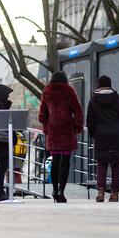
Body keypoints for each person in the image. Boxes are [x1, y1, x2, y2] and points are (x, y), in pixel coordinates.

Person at [38, 71, 84, 203]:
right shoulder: (69, 91)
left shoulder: (47, 92)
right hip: (67, 131)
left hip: (53, 132)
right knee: (65, 163)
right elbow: (78, 111)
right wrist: (77, 127)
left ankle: (53, 189)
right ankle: (61, 191)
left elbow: (42, 115)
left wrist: (47, 127)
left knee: (55, 162)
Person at [87, 76, 119, 202]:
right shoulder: (118, 99)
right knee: (116, 164)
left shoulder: (93, 99)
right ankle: (114, 194)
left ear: (98, 85)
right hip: (117, 134)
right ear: (110, 85)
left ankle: (100, 193)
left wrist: (92, 133)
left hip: (101, 134)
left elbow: (90, 119)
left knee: (101, 163)